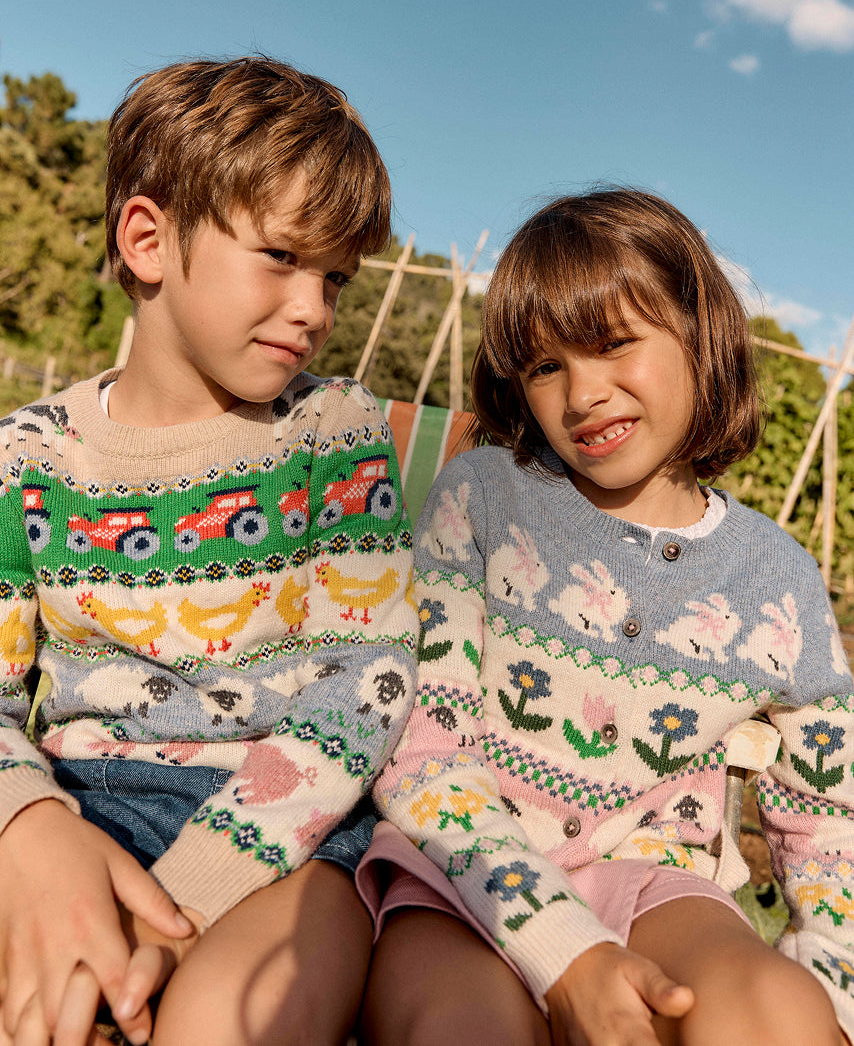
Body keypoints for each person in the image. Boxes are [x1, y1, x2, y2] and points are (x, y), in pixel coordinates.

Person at [355, 189, 854, 1045]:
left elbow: (830, 812)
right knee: (465, 1027)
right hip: (461, 871)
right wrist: (566, 954)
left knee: (779, 1015)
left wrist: (834, 984)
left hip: (655, 883)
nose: (582, 392)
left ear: (701, 335)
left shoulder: (779, 581)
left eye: (613, 343)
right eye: (545, 367)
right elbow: (421, 751)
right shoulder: (482, 500)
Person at [0, 55, 416, 1046]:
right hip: (68, 804)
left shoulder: (333, 435)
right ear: (147, 238)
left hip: (289, 840)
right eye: (281, 256)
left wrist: (187, 892)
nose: (315, 306)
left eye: (334, 277)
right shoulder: (25, 458)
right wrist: (30, 826)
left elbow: (367, 676)